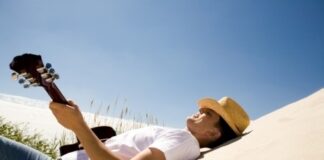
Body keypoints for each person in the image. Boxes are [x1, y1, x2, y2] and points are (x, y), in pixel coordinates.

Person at [0, 97, 250, 160]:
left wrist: (79, 125)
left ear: (214, 133)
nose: (198, 112)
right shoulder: (181, 143)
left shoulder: (182, 140)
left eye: (207, 114)